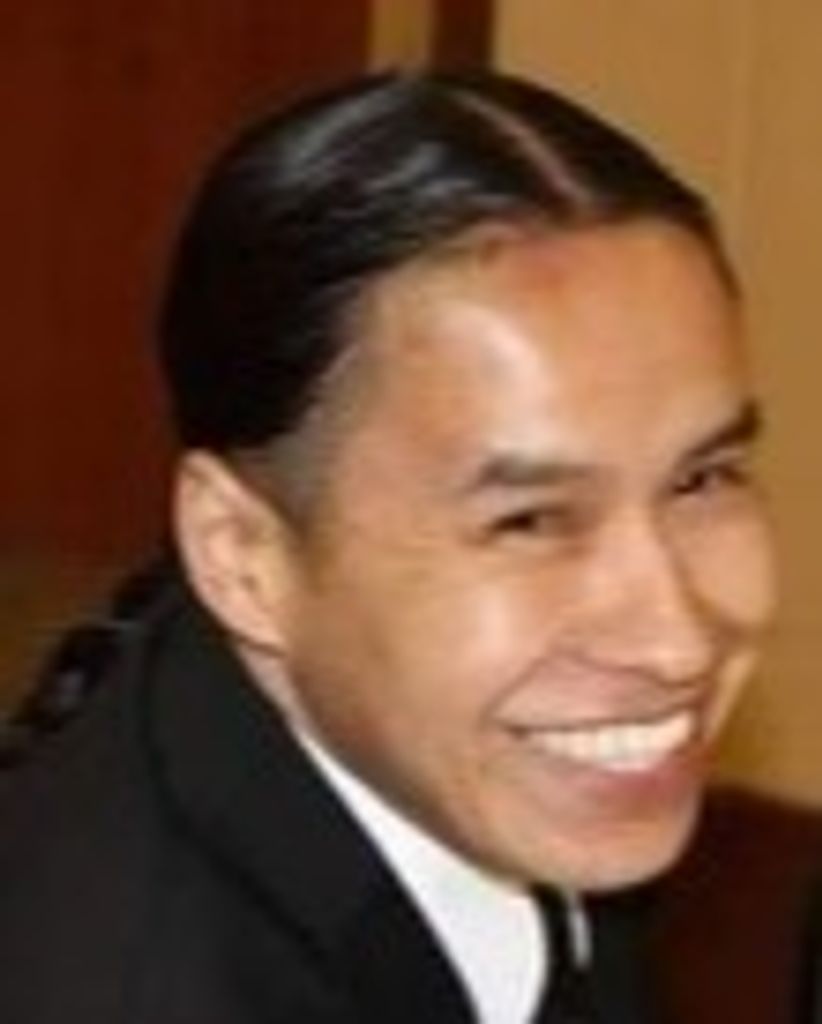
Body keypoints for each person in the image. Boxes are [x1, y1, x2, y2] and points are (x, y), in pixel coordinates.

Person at [0, 69, 776, 1023]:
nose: (675, 641)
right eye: (529, 521)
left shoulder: (487, 773)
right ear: (240, 554)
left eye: (702, 480)